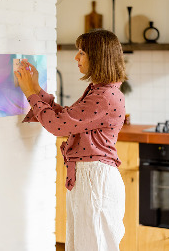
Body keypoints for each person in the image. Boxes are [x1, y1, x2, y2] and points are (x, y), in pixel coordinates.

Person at [15, 29, 127, 251]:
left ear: (98, 57)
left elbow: (58, 126)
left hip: (95, 180)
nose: (76, 57)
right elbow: (66, 118)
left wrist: (30, 93)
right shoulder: (100, 91)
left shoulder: (104, 96)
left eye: (82, 52)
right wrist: (36, 88)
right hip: (90, 178)